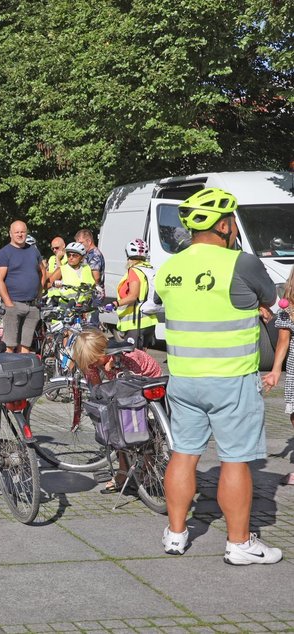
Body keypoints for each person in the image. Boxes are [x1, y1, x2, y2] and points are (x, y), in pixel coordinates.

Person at [156, 187, 282, 564]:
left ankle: (176, 534)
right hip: (231, 380)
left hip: (183, 378)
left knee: (184, 454)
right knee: (235, 460)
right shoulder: (239, 263)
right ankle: (240, 544)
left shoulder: (170, 267)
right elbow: (272, 303)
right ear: (226, 225)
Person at [72, 328, 162, 493]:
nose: (93, 365)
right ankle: (122, 469)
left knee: (147, 430)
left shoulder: (127, 356)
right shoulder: (93, 361)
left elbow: (135, 380)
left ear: (104, 350)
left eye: (94, 361)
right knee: (117, 423)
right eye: (89, 362)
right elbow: (98, 389)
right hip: (126, 390)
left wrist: (116, 367)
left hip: (147, 383)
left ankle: (148, 467)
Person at [263, 268, 294, 485]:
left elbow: (283, 342)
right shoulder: (287, 309)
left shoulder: (288, 309)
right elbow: (283, 342)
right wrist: (275, 371)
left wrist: (275, 371)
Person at [0, 220, 45, 353]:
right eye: (17, 232)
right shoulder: (4, 253)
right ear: (10, 234)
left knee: (26, 345)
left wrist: (39, 294)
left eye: (23, 231)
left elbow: (42, 272)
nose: (20, 235)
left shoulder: (33, 251)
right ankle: (9, 372)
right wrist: (8, 303)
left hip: (32, 305)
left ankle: (24, 372)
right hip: (13, 304)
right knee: (9, 345)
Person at [111, 239, 158, 348]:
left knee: (133, 358)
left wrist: (114, 304)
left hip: (135, 322)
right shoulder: (150, 269)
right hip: (149, 320)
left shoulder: (134, 271)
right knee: (142, 357)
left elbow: (133, 296)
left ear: (128, 255)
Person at [47, 241, 95, 306]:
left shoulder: (87, 268)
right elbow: (47, 284)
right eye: (68, 255)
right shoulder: (62, 269)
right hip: (66, 305)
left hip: (84, 305)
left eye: (74, 255)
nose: (71, 257)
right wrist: (55, 284)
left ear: (82, 258)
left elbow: (93, 284)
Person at [45, 237, 67, 301]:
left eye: (57, 248)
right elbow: (48, 275)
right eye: (53, 248)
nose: (54, 250)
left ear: (63, 246)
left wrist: (58, 259)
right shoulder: (51, 258)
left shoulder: (69, 258)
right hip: (52, 295)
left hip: (63, 295)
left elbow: (62, 274)